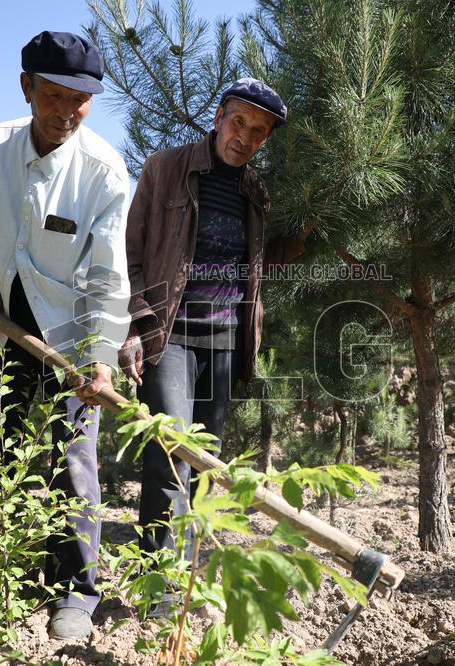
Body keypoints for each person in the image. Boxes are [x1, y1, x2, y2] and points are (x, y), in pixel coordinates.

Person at [0, 30, 129, 641]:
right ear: (26, 87)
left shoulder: (103, 171)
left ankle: (76, 595)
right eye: (54, 96)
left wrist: (100, 361)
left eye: (81, 101)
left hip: (71, 345)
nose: (67, 113)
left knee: (73, 464)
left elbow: (108, 277)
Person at [119, 78, 298, 615]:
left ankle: (187, 579)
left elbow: (256, 263)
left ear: (264, 140)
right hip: (169, 333)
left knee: (207, 465)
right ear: (219, 116)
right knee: (172, 452)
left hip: (224, 341)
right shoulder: (166, 168)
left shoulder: (255, 192)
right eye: (238, 122)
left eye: (257, 132)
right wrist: (134, 323)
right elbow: (130, 250)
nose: (244, 137)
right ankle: (159, 589)